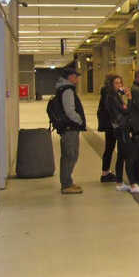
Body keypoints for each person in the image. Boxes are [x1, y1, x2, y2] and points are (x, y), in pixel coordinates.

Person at [44, 63, 87, 194]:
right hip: (70, 128)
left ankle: (67, 181)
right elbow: (69, 111)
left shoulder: (62, 89)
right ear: (70, 77)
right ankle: (66, 184)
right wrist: (79, 120)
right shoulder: (67, 90)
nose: (77, 79)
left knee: (69, 155)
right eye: (75, 76)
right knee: (70, 155)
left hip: (67, 127)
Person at [96, 75, 125, 182]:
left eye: (120, 83)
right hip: (112, 125)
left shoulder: (110, 93)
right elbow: (114, 110)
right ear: (111, 84)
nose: (119, 85)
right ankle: (106, 173)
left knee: (109, 148)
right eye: (116, 83)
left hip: (111, 125)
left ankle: (106, 172)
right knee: (110, 148)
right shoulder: (110, 95)